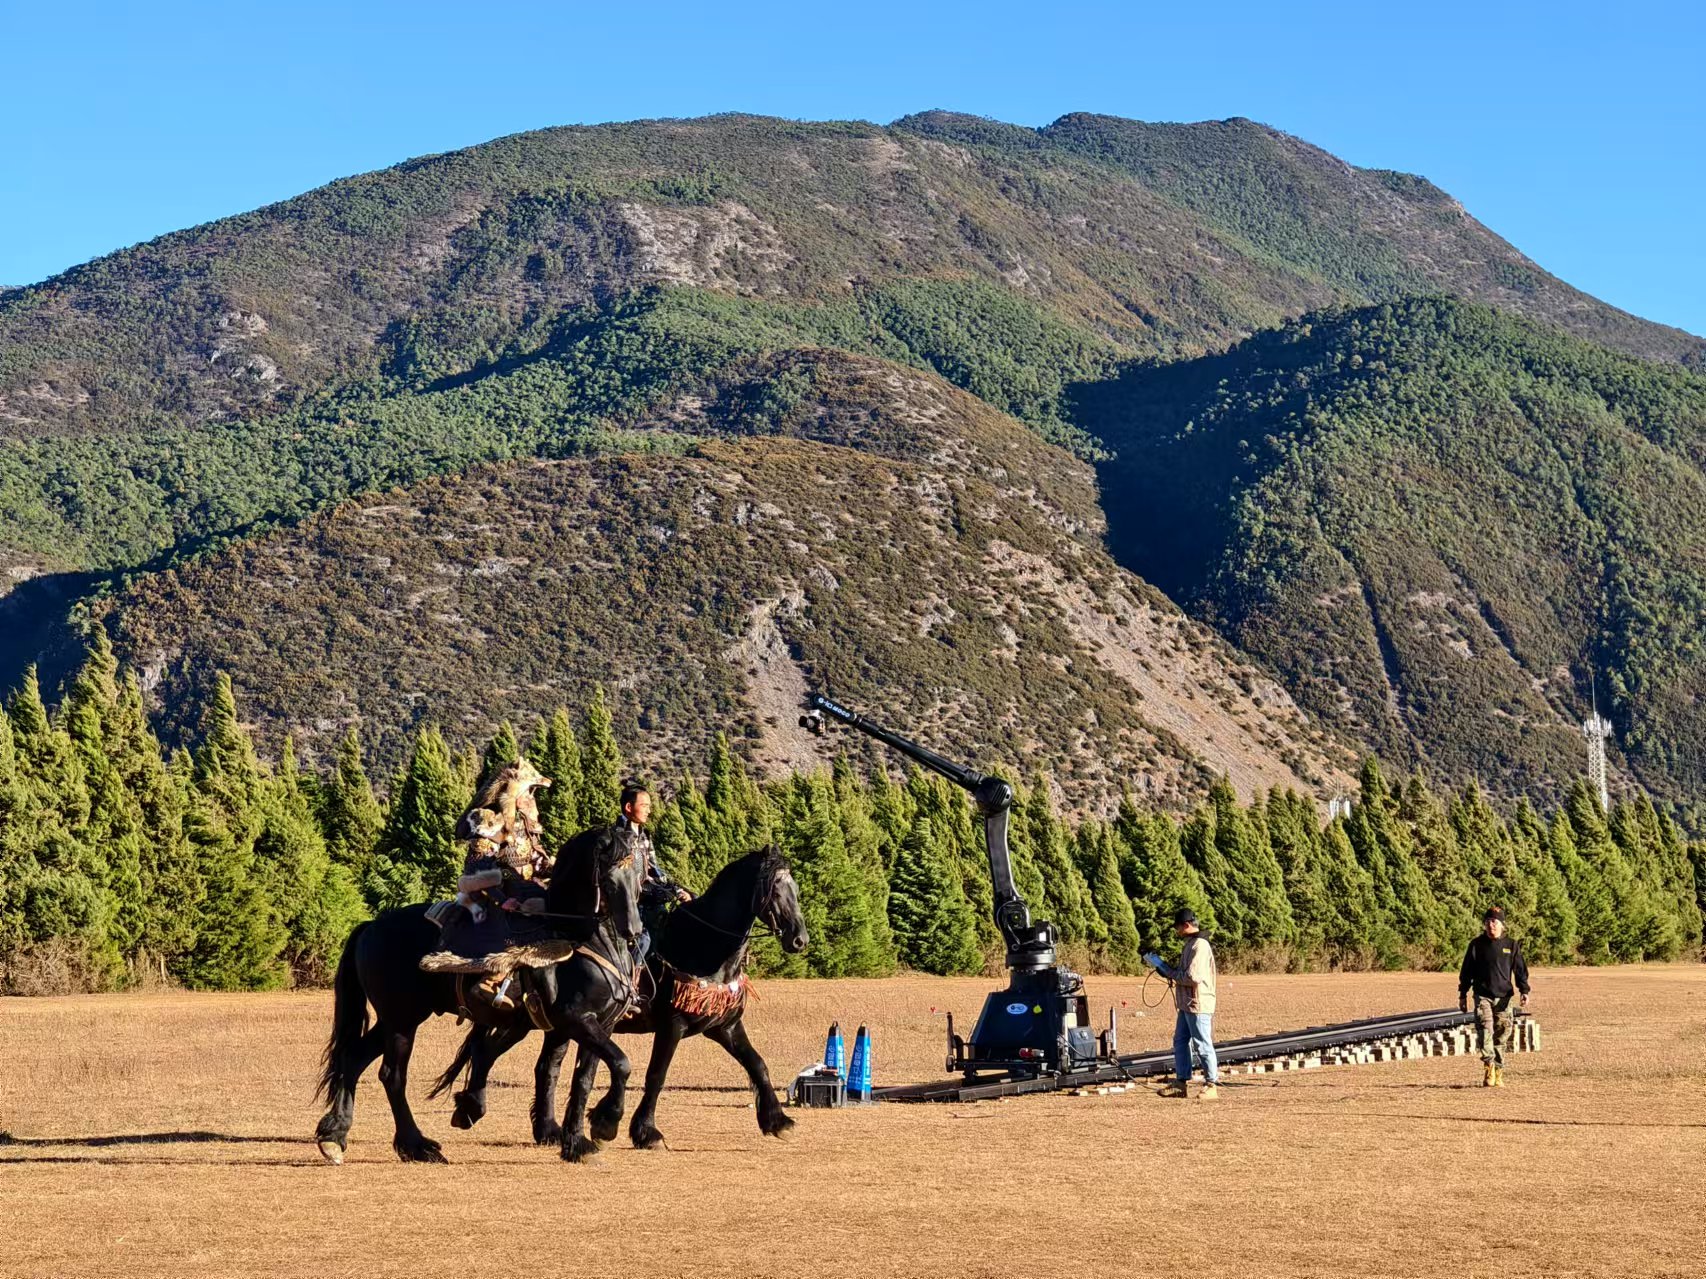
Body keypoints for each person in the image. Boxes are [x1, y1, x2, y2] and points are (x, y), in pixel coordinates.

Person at [609, 780, 690, 969]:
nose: (648, 811)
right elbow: (629, 878)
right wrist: (659, 892)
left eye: (649, 806)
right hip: (627, 905)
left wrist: (677, 889)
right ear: (629, 807)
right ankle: (630, 980)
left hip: (647, 901)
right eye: (644, 805)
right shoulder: (618, 837)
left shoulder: (644, 836)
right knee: (644, 940)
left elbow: (654, 870)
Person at [1147, 908, 1219, 1101]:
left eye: (1178, 927)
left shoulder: (1200, 946)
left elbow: (1192, 977)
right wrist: (1167, 970)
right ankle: (1181, 1083)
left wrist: (1169, 973)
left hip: (1198, 1003)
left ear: (1186, 925)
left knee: (1202, 1044)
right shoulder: (1191, 944)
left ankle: (1211, 1084)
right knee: (1180, 1042)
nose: (1177, 931)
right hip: (1186, 1003)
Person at [1458, 906, 1530, 1087]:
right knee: (1485, 1031)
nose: (1491, 924)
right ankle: (1488, 1065)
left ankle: (1498, 1070)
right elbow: (1466, 971)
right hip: (1483, 996)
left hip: (1504, 998)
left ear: (1502, 925)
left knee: (1502, 1036)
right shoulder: (1476, 945)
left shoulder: (1511, 945)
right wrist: (1463, 993)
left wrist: (1524, 990)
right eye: (1488, 921)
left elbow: (1520, 970)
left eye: (1495, 921)